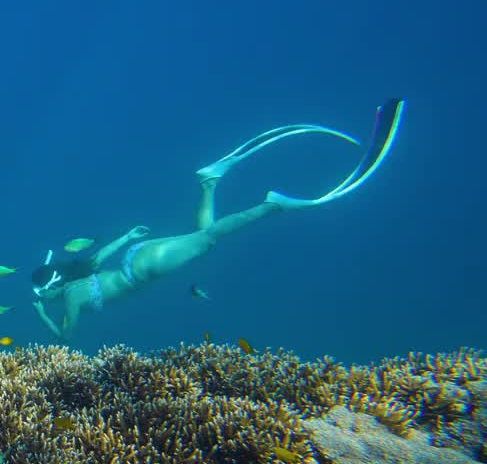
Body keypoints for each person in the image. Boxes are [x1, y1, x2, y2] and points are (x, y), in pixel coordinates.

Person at [31, 99, 406, 339]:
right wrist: (128, 238)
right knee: (202, 234)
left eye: (41, 293)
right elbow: (99, 256)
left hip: (143, 270)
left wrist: (41, 316)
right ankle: (209, 182)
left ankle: (270, 206)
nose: (42, 298)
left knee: (209, 239)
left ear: (52, 287)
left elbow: (67, 336)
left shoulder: (72, 296)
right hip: (139, 256)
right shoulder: (81, 273)